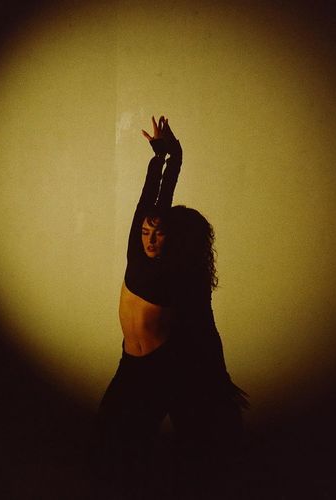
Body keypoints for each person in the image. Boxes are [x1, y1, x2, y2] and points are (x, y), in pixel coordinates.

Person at [96, 116, 248, 500]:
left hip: (161, 367)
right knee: (111, 433)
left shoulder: (177, 275)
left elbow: (206, 327)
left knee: (167, 439)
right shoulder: (136, 252)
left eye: (158, 234)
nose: (149, 240)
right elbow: (152, 196)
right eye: (146, 232)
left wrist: (219, 376)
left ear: (173, 238)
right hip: (130, 362)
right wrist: (165, 155)